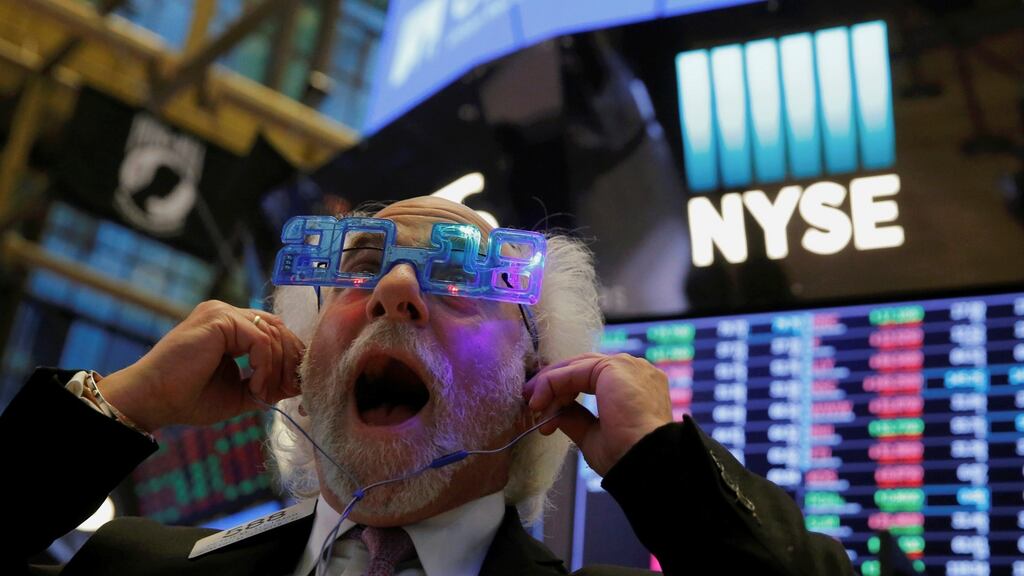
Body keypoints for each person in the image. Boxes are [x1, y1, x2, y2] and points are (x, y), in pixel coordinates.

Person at [4, 197, 854, 575]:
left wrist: (662, 464)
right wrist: (117, 407)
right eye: (362, 274)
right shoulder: (131, 565)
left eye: (462, 284)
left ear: (540, 381)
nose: (396, 291)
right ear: (302, 366)